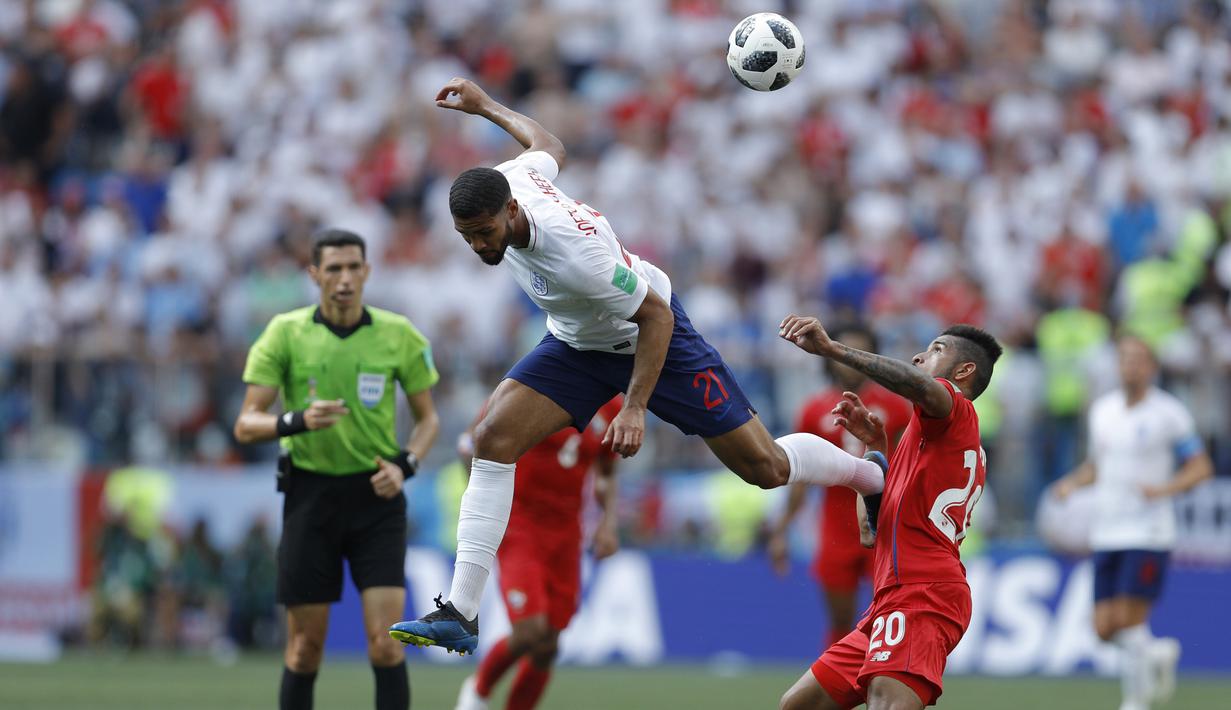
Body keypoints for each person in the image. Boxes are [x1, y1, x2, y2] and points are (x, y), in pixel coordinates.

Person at [389, 78, 888, 654]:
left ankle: (867, 475)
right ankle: (461, 612)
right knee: (491, 438)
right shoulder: (518, 179)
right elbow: (548, 142)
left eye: (484, 234)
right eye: (467, 238)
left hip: (650, 337)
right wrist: (485, 107)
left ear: (510, 211)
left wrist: (634, 406)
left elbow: (655, 317)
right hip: (577, 341)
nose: (478, 247)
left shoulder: (576, 258)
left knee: (765, 468)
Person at [233, 229, 441, 710]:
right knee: (305, 649)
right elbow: (245, 424)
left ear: (367, 272)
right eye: (333, 269)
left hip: (378, 499)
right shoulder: (285, 333)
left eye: (353, 268)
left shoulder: (398, 335)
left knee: (386, 642)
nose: (344, 279)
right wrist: (297, 420)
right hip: (311, 498)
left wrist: (405, 465)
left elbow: (429, 420)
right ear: (314, 275)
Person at [775, 315, 1001, 710]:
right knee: (799, 705)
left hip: (923, 592)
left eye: (936, 350)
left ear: (964, 371)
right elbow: (870, 531)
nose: (919, 356)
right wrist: (875, 449)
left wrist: (833, 350)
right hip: (891, 596)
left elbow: (918, 385)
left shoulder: (956, 410)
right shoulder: (927, 442)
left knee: (887, 703)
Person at [1052, 335, 1212, 710]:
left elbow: (1200, 467)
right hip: (1107, 528)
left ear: (1152, 368)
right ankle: (1157, 652)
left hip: (1148, 530)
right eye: (1124, 359)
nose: (1130, 366)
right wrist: (1072, 483)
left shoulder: (1169, 413)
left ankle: (1135, 701)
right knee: (1103, 628)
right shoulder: (1103, 411)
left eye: (1138, 360)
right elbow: (1097, 466)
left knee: (1129, 619)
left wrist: (1165, 488)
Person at [454, 397, 622, 710]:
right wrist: (484, 502)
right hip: (520, 523)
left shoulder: (610, 404)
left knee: (548, 645)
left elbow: (607, 471)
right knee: (530, 630)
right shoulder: (535, 381)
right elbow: (469, 444)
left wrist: (607, 524)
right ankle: (478, 692)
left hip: (567, 534)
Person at [768, 325, 912, 651]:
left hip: (885, 528)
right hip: (834, 531)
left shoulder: (897, 408)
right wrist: (781, 529)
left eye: (857, 351)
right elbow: (801, 479)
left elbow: (909, 468)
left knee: (888, 621)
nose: (847, 363)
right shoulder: (813, 410)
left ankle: (885, 692)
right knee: (840, 625)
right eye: (842, 353)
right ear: (830, 359)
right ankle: (838, 692)